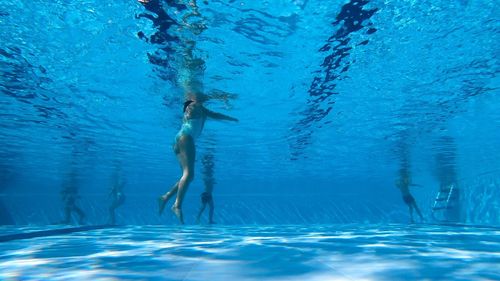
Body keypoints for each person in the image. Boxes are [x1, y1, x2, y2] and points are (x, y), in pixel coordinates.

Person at [158, 99, 237, 224]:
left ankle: (166, 197)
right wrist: (225, 100)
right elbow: (211, 106)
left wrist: (230, 118)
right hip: (185, 138)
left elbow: (215, 115)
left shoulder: (199, 109)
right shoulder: (194, 104)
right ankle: (176, 206)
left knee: (186, 176)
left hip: (179, 139)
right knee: (189, 175)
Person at [196, 153, 216, 224]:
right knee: (204, 207)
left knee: (210, 207)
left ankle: (209, 220)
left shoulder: (209, 177)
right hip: (206, 194)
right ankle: (198, 219)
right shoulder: (207, 177)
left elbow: (209, 183)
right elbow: (206, 179)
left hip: (208, 194)